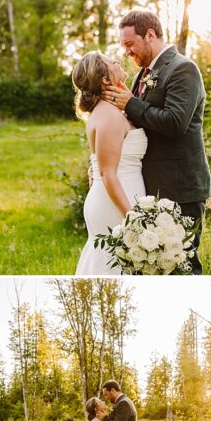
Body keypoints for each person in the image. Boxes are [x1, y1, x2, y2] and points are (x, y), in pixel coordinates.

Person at [101, 9, 211, 274]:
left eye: (130, 44)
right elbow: (140, 125)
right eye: (123, 46)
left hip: (180, 188)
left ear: (150, 35)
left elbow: (175, 122)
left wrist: (131, 103)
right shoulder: (142, 74)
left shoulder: (183, 69)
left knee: (183, 264)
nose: (127, 52)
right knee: (156, 267)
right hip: (150, 189)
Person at [71, 51, 147, 276]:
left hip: (116, 197)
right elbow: (108, 174)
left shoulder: (112, 111)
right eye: (110, 61)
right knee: (111, 265)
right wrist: (132, 217)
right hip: (115, 203)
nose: (117, 60)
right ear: (105, 79)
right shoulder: (109, 116)